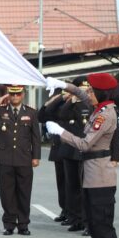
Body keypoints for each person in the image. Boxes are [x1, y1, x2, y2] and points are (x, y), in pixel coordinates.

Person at [45, 73, 119, 238]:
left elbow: (84, 144)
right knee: (96, 228)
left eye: (92, 90)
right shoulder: (100, 107)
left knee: (103, 229)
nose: (88, 93)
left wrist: (61, 132)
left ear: (101, 93)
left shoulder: (105, 114)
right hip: (92, 177)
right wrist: (63, 85)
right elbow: (80, 92)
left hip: (101, 180)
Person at [0, 85, 41, 235]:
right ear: (8, 95)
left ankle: (23, 225)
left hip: (24, 158)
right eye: (12, 94)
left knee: (24, 193)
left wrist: (36, 156)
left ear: (23, 95)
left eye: (18, 94)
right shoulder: (0, 111)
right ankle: (9, 224)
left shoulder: (31, 112)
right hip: (5, 158)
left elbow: (35, 137)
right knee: (7, 193)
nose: (15, 97)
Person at [37, 89, 69, 225]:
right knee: (61, 183)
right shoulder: (57, 106)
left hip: (72, 149)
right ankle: (65, 210)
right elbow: (41, 116)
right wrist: (56, 99)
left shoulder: (78, 105)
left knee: (73, 185)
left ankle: (76, 213)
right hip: (59, 149)